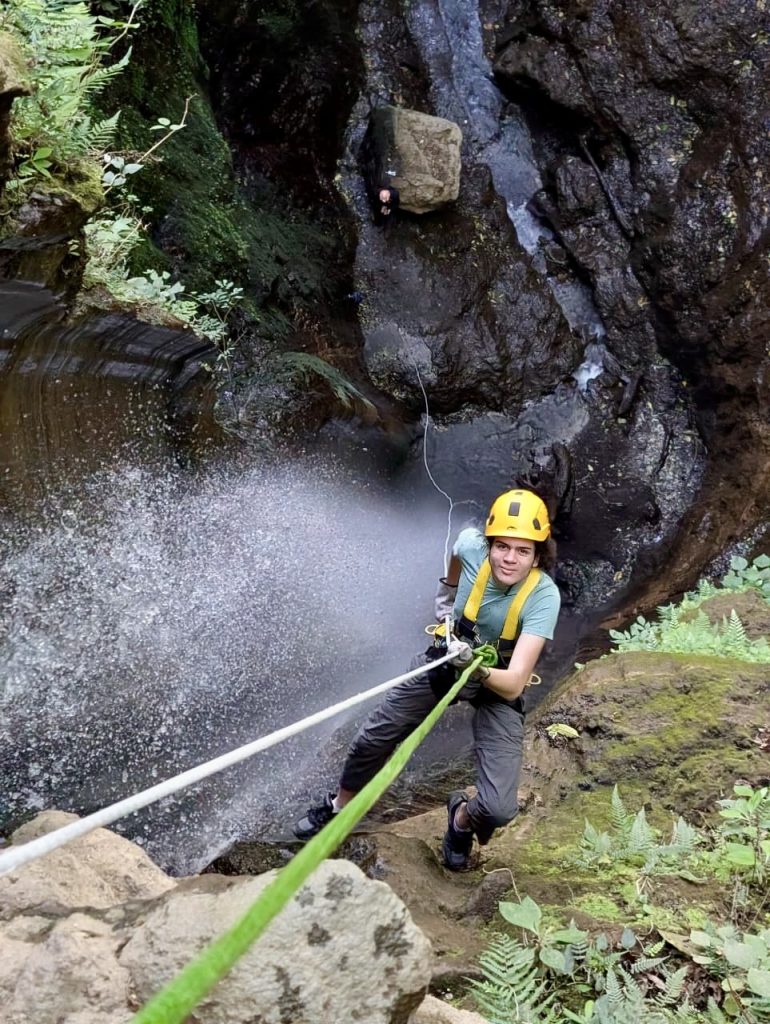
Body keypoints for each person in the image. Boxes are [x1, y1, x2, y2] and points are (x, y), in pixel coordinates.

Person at [293, 488, 561, 870]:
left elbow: (516, 682)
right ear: (490, 544)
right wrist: (447, 593)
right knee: (374, 736)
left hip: (496, 680)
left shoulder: (544, 597)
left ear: (537, 554)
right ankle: (338, 807)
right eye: (503, 547)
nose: (509, 559)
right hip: (449, 658)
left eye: (523, 551)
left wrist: (480, 668)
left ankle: (461, 819)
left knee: (499, 808)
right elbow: (456, 552)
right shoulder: (472, 546)